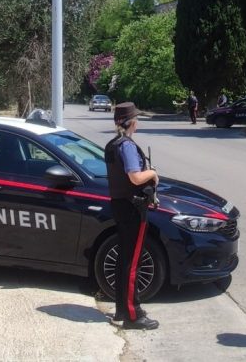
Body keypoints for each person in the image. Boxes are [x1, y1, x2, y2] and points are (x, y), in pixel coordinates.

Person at [104, 102, 160, 330]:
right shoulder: (126, 146)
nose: (138, 122)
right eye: (136, 118)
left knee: (124, 260)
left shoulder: (113, 144)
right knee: (132, 263)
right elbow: (135, 177)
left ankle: (122, 309)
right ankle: (132, 315)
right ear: (132, 122)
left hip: (121, 205)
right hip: (132, 208)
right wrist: (152, 173)